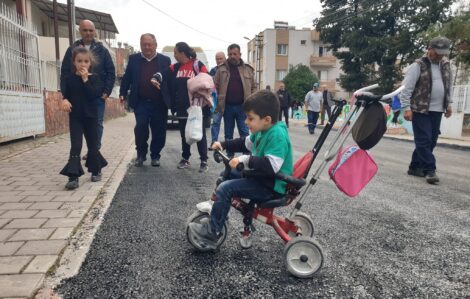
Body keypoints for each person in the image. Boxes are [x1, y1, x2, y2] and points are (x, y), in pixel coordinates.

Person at [188, 90, 293, 249]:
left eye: (250, 118)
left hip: (271, 186)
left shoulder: (276, 135)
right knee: (225, 175)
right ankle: (220, 212)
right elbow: (244, 143)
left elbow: (271, 166)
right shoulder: (262, 131)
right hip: (263, 179)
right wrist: (223, 144)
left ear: (267, 119)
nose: (245, 122)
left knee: (225, 188)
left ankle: (213, 232)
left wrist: (244, 160)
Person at [400, 36, 453, 184]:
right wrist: (406, 108)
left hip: (438, 109)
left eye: (442, 53)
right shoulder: (418, 65)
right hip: (420, 108)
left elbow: (449, 84)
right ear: (429, 49)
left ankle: (414, 166)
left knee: (432, 140)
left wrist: (449, 103)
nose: (439, 55)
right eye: (437, 52)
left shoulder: (446, 64)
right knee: (424, 139)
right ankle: (430, 170)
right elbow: (406, 88)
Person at [60, 20, 115, 160]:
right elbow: (65, 73)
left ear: (95, 31)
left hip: (96, 94)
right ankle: (79, 153)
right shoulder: (72, 49)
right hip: (77, 96)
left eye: (91, 30)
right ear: (80, 31)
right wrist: (65, 96)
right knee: (77, 127)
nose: (88, 33)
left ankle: (93, 152)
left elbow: (110, 71)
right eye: (85, 30)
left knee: (96, 125)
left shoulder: (102, 50)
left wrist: (107, 91)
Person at [119, 34, 171, 167]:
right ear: (140, 45)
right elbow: (127, 78)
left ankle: (155, 155)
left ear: (155, 45)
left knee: (159, 130)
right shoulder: (134, 59)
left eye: (150, 44)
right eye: (144, 44)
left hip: (159, 103)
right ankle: (141, 155)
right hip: (141, 102)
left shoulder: (165, 60)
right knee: (141, 128)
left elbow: (170, 81)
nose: (147, 47)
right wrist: (122, 93)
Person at [60, 48, 107, 190]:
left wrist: (86, 79)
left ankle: (96, 170)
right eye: (79, 61)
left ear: (90, 63)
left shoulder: (95, 78)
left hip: (91, 116)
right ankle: (73, 177)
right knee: (76, 145)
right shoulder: (69, 78)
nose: (82, 64)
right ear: (74, 62)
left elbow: (94, 94)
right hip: (75, 117)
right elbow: (65, 94)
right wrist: (65, 100)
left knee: (92, 145)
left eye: (86, 61)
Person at [166, 42, 210, 173]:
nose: (174, 55)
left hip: (196, 107)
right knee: (184, 135)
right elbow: (166, 76)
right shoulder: (175, 67)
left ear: (182, 53)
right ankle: (185, 158)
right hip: (181, 106)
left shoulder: (198, 65)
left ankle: (204, 160)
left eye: (175, 52)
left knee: (199, 134)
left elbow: (207, 82)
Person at [214, 44, 256, 157]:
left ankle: (247, 155)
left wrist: (252, 101)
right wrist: (218, 100)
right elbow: (215, 86)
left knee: (244, 132)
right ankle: (229, 156)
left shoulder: (248, 69)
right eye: (230, 54)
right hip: (227, 107)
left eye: (234, 54)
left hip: (243, 107)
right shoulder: (221, 69)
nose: (232, 56)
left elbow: (254, 87)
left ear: (240, 54)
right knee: (228, 133)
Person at [209, 52, 226, 147]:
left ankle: (228, 144)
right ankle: (214, 142)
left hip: (226, 101)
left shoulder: (228, 70)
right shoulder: (213, 70)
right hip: (216, 102)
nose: (219, 61)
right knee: (215, 122)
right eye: (217, 59)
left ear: (225, 58)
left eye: (221, 58)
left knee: (228, 125)